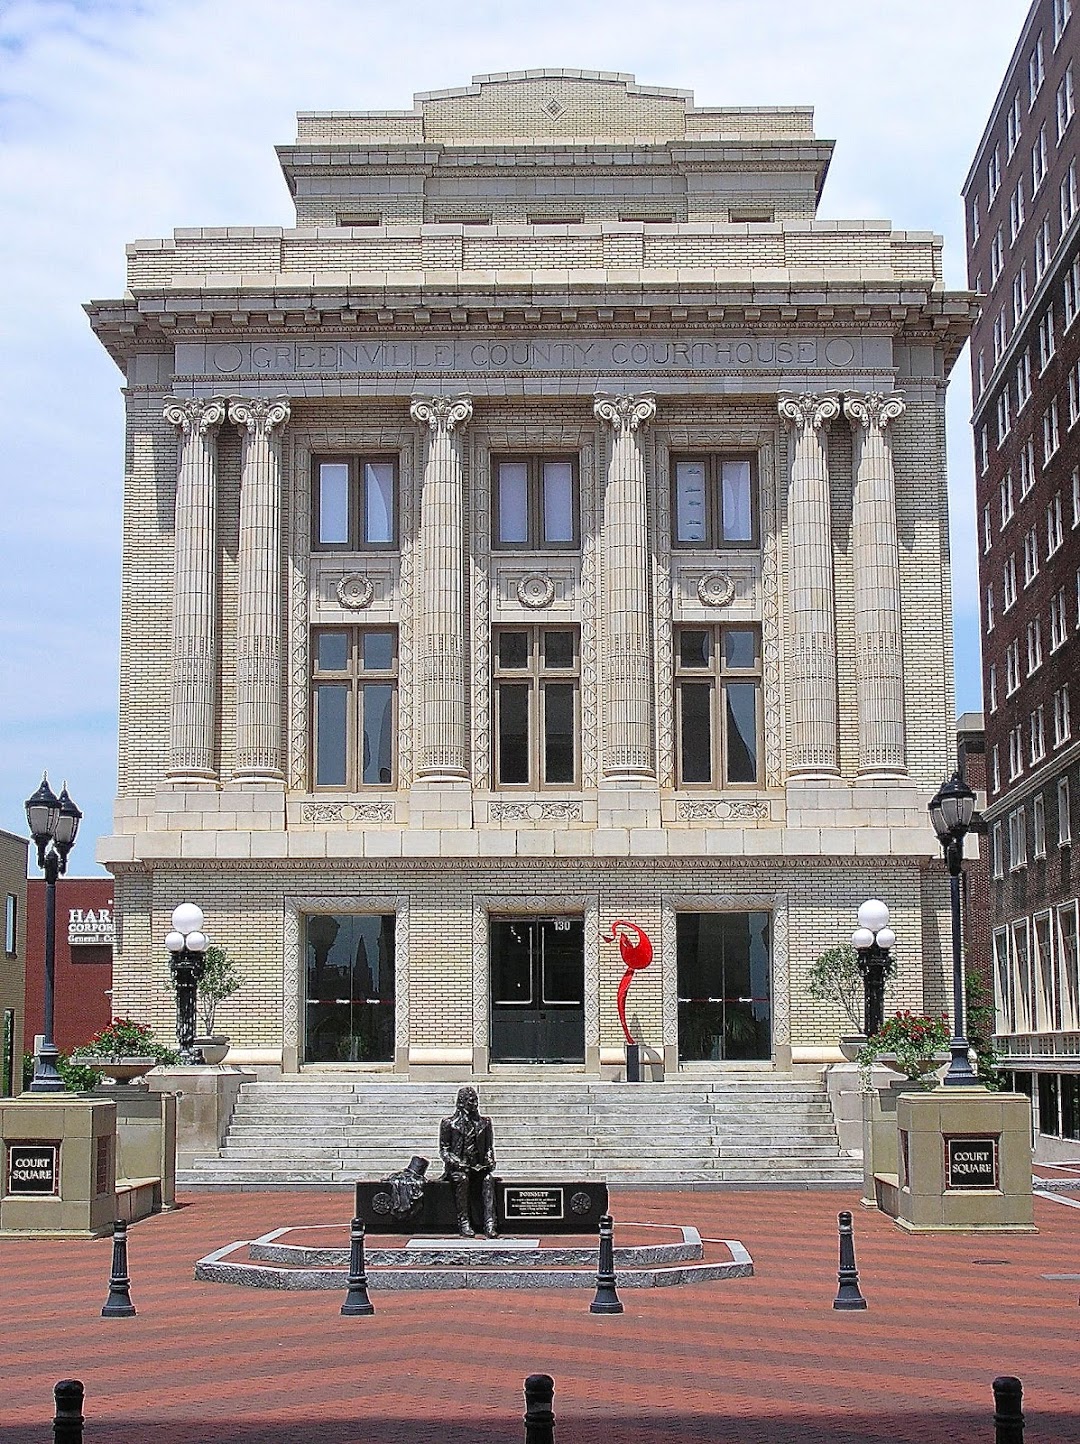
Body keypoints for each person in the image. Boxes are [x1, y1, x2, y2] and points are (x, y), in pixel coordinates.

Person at [439, 1086, 497, 1237]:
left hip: (478, 1167)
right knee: (463, 1179)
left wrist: (490, 1160)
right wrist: (457, 1163)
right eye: (470, 1101)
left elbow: (489, 1147)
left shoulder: (485, 1123)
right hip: (458, 1169)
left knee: (488, 1179)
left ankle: (490, 1224)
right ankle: (464, 1222)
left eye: (475, 1101)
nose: (474, 1104)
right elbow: (444, 1151)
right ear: (461, 1103)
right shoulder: (449, 1124)